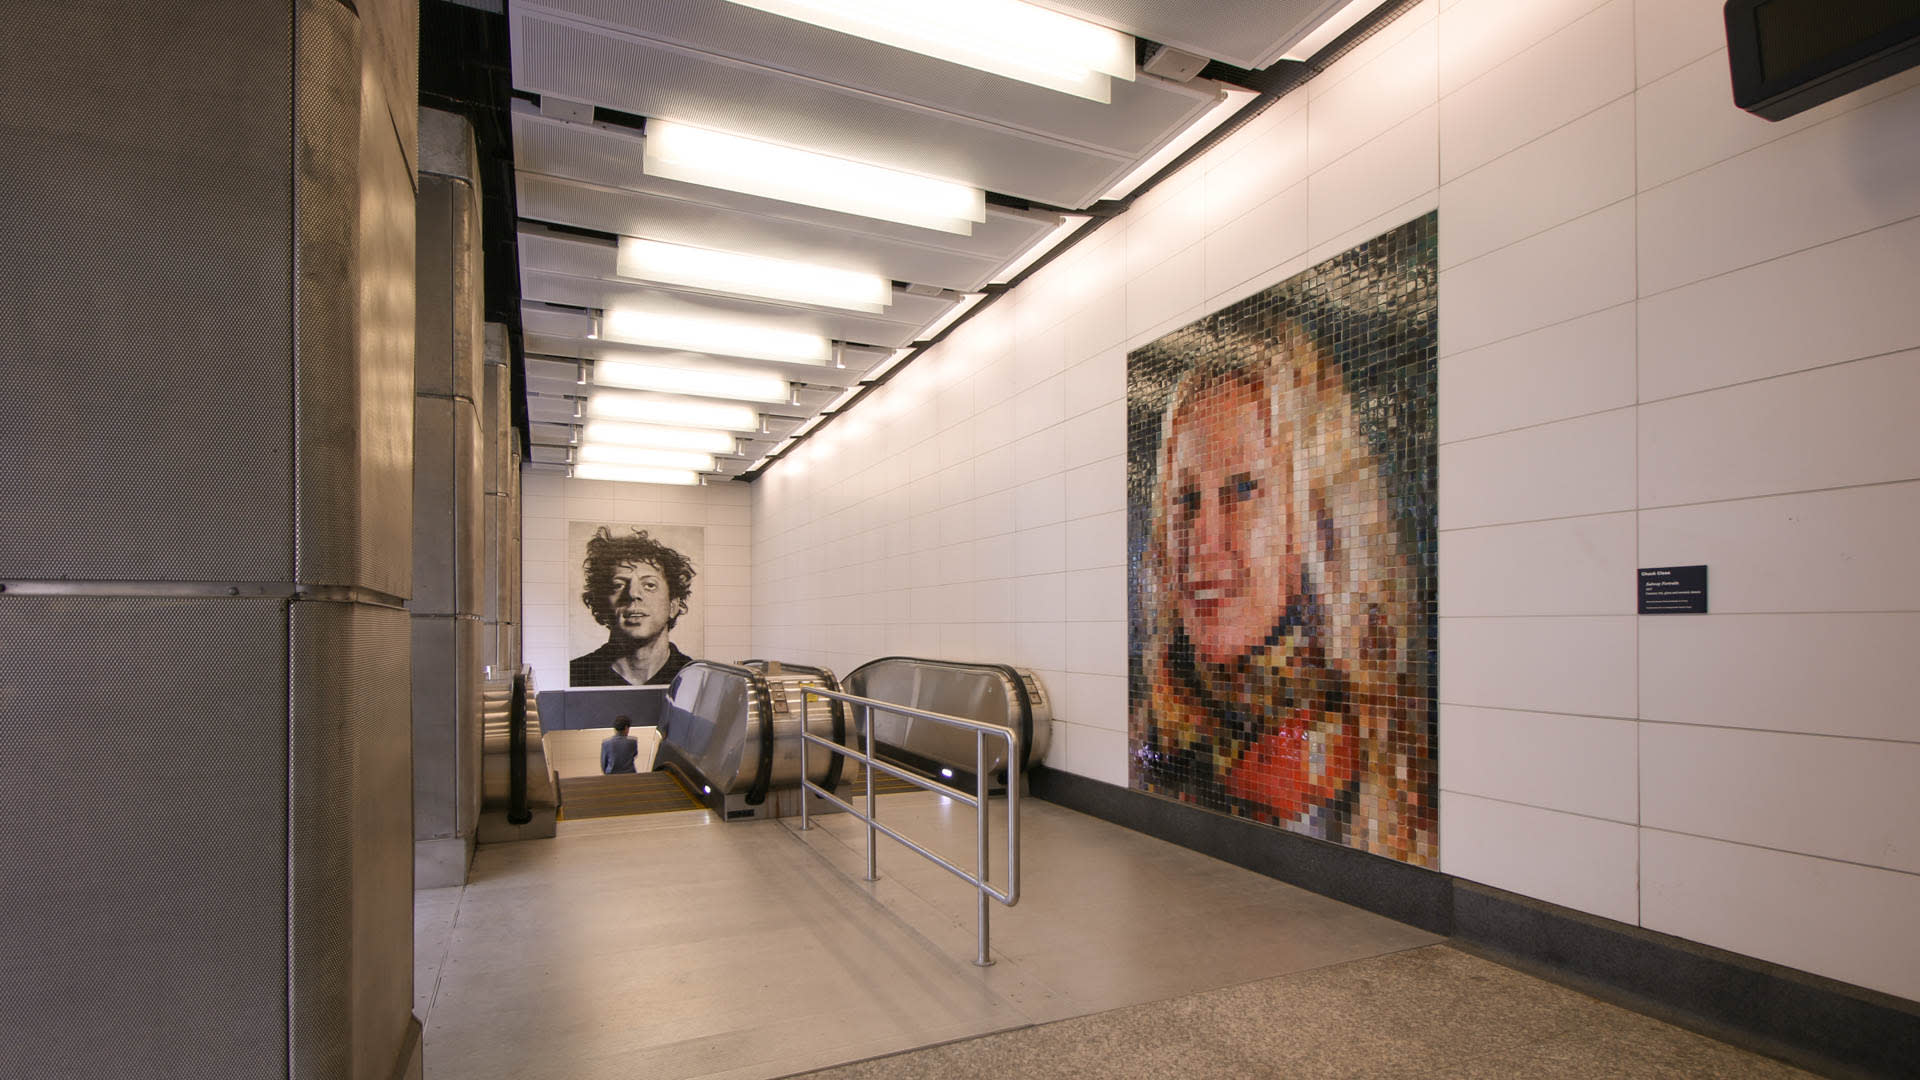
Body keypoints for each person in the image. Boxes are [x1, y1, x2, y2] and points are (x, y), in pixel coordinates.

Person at [1132, 317, 1435, 867]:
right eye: (1186, 499)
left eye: (1244, 489)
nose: (1202, 541)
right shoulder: (1150, 731)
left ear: (1318, 518)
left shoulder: (1392, 774)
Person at [570, 526, 697, 688]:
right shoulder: (575, 676)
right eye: (618, 585)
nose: (632, 594)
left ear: (673, 605)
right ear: (601, 605)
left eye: (649, 585)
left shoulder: (697, 679)